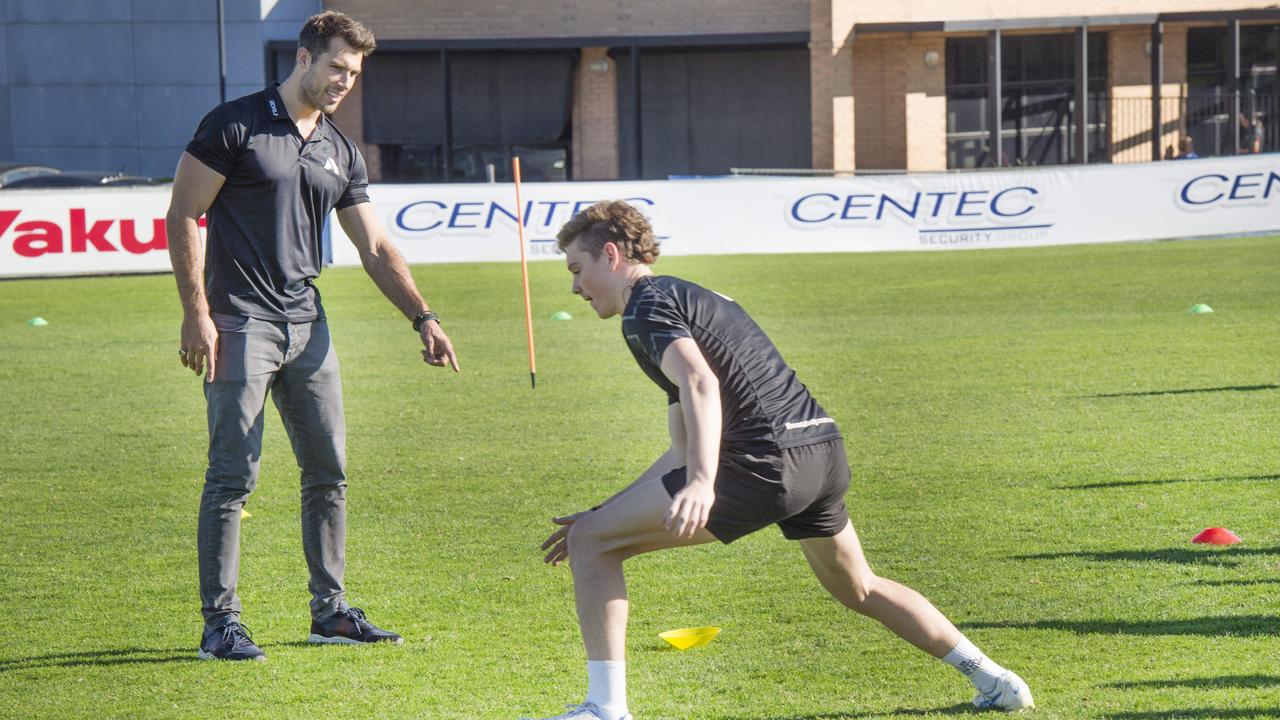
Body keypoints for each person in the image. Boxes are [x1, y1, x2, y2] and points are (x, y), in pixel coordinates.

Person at [526, 201, 1034, 719]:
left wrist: (701, 482)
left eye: (576, 270)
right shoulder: (686, 296)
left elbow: (700, 382)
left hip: (764, 464)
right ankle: (994, 679)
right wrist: (605, 511)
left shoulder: (644, 307)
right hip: (820, 454)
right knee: (858, 586)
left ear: (610, 254)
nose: (574, 288)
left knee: (593, 546)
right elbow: (681, 446)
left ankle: (605, 711)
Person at [166, 10, 459, 662]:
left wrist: (424, 315)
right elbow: (184, 212)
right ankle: (221, 625)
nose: (343, 83)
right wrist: (196, 313)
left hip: (307, 325)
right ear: (304, 58)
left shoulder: (340, 150)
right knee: (232, 475)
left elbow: (377, 247)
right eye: (336, 68)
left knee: (329, 471)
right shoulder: (235, 123)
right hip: (239, 322)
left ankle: (330, 613)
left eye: (353, 75)